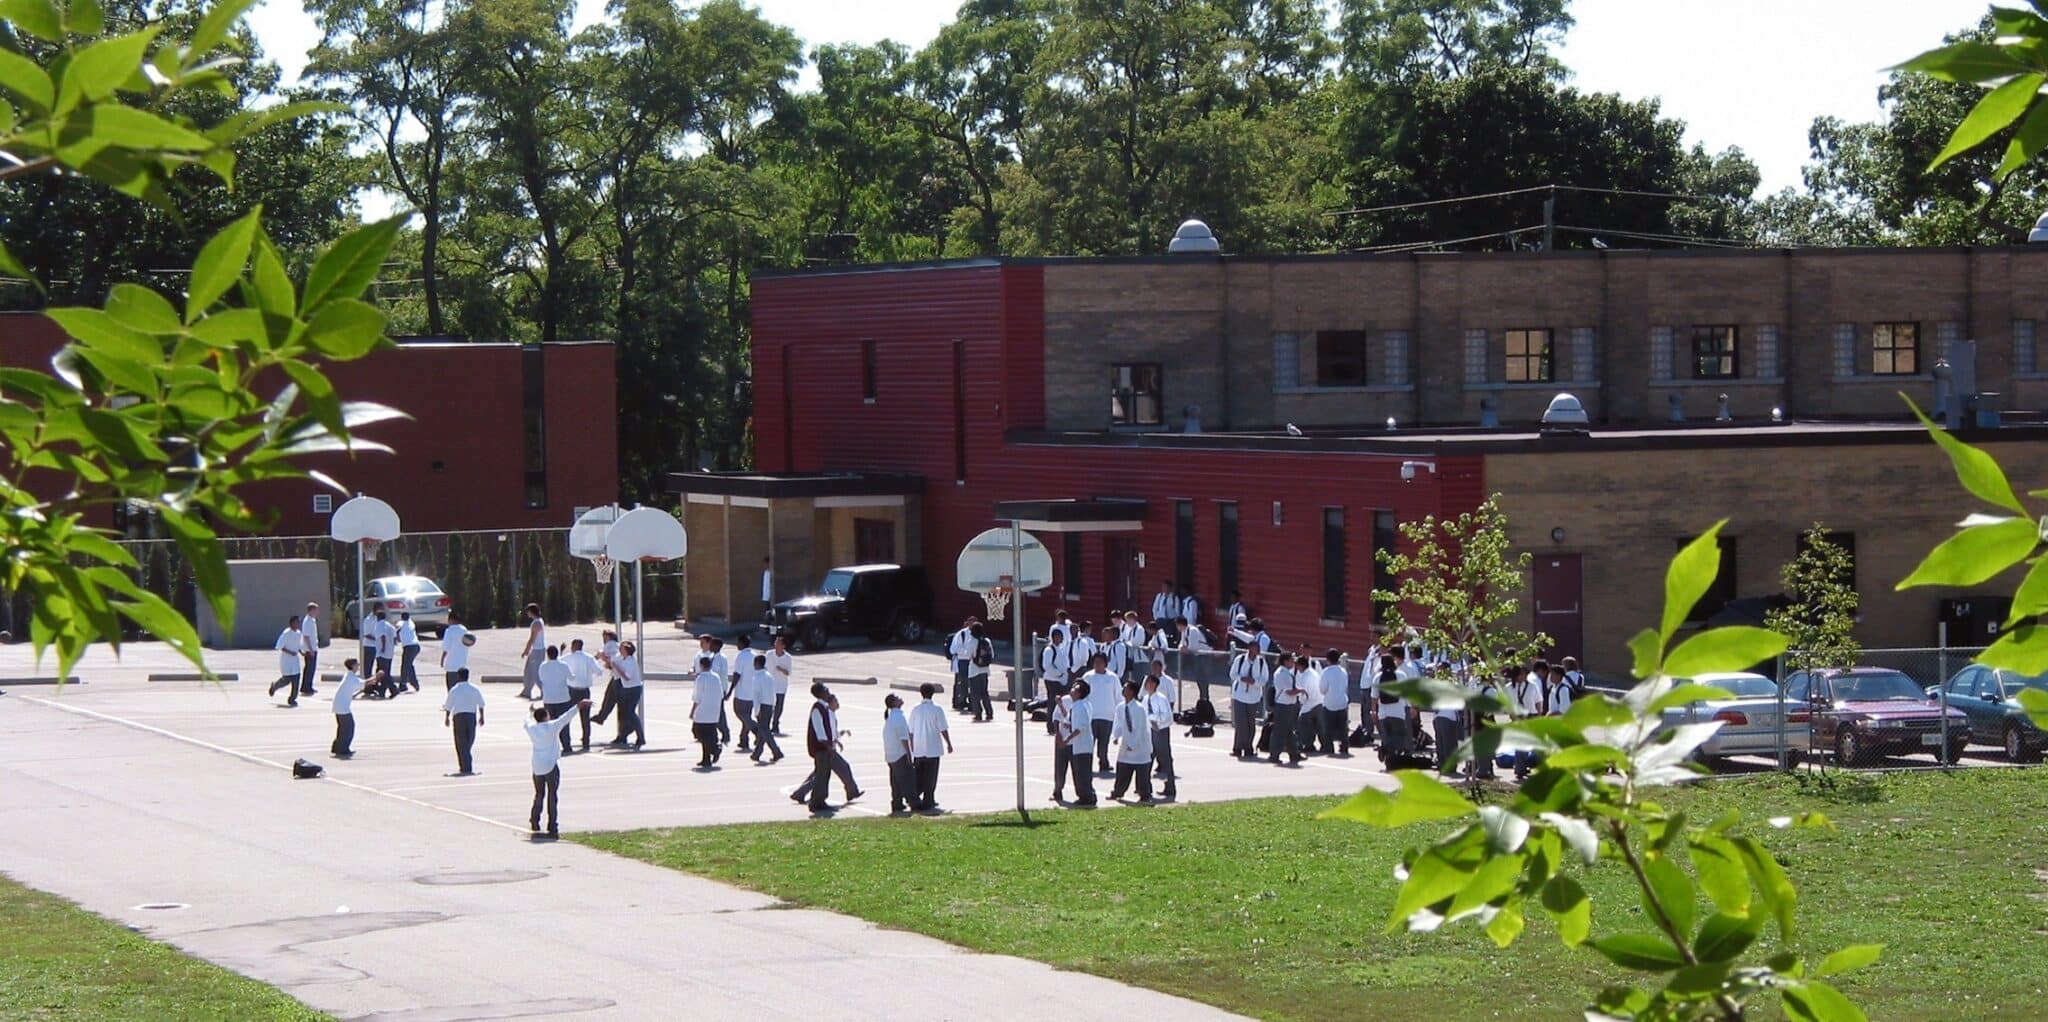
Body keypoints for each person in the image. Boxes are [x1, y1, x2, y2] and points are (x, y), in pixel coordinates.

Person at [526, 699, 586, 836]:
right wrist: (578, 706)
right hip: (551, 765)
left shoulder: (532, 728)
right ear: (546, 717)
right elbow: (565, 718)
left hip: (537, 766)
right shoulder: (552, 727)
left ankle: (534, 819)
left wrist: (530, 712)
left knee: (539, 794)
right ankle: (552, 824)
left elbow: (526, 721)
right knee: (552, 794)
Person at [908, 682, 953, 813]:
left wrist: (912, 747)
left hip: (919, 748)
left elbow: (910, 730)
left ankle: (915, 798)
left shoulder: (916, 709)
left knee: (918, 775)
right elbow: (943, 728)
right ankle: (929, 799)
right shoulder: (937, 709)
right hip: (932, 749)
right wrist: (948, 743)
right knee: (931, 777)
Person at [1108, 681, 1155, 803]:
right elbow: (1118, 723)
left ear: (1132, 692)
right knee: (1122, 769)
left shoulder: (1139, 709)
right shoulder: (1120, 707)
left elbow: (1140, 728)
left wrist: (1133, 744)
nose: (1123, 690)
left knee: (1142, 772)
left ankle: (1145, 795)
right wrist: (1116, 736)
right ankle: (1117, 792)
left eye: (1126, 688)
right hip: (1126, 745)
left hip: (1140, 745)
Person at [801, 684, 841, 814]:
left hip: (826, 747)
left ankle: (821, 800)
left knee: (825, 775)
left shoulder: (824, 708)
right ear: (821, 693)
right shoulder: (817, 709)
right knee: (821, 775)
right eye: (826, 690)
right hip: (821, 748)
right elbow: (820, 730)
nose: (828, 691)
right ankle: (815, 802)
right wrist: (827, 745)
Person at [1081, 652, 1119, 775]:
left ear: (1105, 663)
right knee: (1089, 743)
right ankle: (1086, 764)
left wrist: (1119, 712)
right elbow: (1081, 695)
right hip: (1091, 716)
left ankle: (1104, 762)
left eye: (1100, 662)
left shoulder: (1112, 677)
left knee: (1104, 743)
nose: (1097, 665)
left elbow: (1118, 696)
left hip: (1107, 715)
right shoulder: (1087, 677)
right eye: (1095, 662)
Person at [1229, 643, 1269, 758]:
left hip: (1253, 696)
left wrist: (1255, 682)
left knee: (1250, 723)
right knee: (1240, 723)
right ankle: (1237, 747)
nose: (1254, 652)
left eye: (1257, 650)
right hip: (1239, 695)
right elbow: (1233, 674)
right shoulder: (1240, 659)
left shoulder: (1261, 662)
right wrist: (1242, 678)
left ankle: (1248, 747)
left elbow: (1264, 679)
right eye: (1252, 649)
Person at [1062, 679, 1097, 807]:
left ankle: (1087, 796)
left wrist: (1067, 739)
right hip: (1079, 745)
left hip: (1082, 745)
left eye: (1075, 689)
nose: (1072, 690)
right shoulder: (1076, 705)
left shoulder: (1081, 706)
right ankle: (1085, 795)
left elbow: (1081, 727)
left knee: (1082, 772)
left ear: (1080, 693)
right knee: (1080, 772)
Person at [443, 673, 486, 775]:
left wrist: (447, 717)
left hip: (459, 717)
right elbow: (481, 704)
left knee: (460, 743)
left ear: (459, 676)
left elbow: (448, 705)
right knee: (469, 740)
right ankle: (466, 766)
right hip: (471, 717)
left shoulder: (454, 689)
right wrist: (482, 717)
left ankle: (465, 767)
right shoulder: (474, 689)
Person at [1143, 673, 1177, 800]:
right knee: (1147, 758)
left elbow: (1167, 717)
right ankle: (1145, 787)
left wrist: (1157, 723)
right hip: (1149, 732)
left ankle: (1170, 787)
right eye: (1147, 683)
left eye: (1151, 683)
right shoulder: (1146, 699)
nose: (1148, 685)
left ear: (1156, 685)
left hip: (1160, 731)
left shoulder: (1161, 698)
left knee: (1165, 759)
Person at [1507, 664, 1544, 780]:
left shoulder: (1532, 686)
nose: (1524, 676)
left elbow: (1538, 701)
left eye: (1525, 674)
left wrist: (1539, 714)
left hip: (1531, 716)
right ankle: (1520, 769)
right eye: (1522, 674)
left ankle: (1529, 766)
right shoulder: (1509, 688)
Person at [537, 645, 575, 755]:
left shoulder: (543, 666)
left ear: (547, 654)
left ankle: (551, 746)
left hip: (549, 699)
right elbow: (571, 677)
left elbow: (541, 678)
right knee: (564, 723)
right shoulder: (563, 665)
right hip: (562, 698)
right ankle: (567, 746)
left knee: (549, 725)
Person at [1269, 652, 1305, 766]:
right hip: (1283, 705)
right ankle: (1274, 755)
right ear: (1285, 661)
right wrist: (1300, 691)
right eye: (1291, 660)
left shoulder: (1285, 673)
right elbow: (1289, 691)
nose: (1293, 663)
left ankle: (1294, 754)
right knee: (1280, 731)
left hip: (1288, 705)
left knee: (1289, 731)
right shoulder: (1282, 674)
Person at [563, 638, 600, 751]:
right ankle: (586, 741)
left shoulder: (568, 657)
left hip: (571, 690)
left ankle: (566, 742)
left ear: (573, 646)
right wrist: (589, 676)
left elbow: (558, 664)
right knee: (585, 717)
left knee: (567, 716)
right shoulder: (589, 658)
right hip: (584, 690)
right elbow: (599, 671)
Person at [1037, 629, 1077, 732]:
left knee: (1061, 703)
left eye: (1061, 637)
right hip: (1052, 680)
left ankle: (1060, 725)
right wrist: (1058, 674)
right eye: (1059, 636)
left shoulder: (1060, 649)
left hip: (1061, 680)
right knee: (1052, 703)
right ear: (1054, 637)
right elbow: (1047, 666)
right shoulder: (1049, 650)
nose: (1061, 639)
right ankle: (1050, 726)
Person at [882, 693, 915, 816]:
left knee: (896, 781)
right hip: (899, 753)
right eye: (897, 697)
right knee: (907, 779)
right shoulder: (898, 717)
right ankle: (913, 801)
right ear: (894, 703)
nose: (900, 698)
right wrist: (909, 754)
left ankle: (897, 803)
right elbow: (903, 738)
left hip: (891, 754)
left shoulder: (891, 717)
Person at [1374, 654, 1411, 763]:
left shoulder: (1378, 677)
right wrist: (1411, 706)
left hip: (1383, 712)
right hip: (1398, 712)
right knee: (1400, 737)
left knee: (1387, 736)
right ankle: (1386, 750)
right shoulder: (1401, 675)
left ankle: (1390, 760)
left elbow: (1374, 696)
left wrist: (1373, 711)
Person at [609, 640, 645, 749]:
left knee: (630, 713)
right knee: (624, 713)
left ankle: (640, 736)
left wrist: (616, 667)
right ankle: (622, 735)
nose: (620, 650)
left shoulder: (630, 661)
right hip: (626, 688)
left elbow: (627, 677)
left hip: (633, 689)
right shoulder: (623, 659)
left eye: (622, 649)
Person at [689, 655, 724, 767]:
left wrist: (692, 710)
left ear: (701, 666)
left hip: (703, 711)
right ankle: (707, 757)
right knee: (710, 733)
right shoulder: (716, 677)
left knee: (698, 731)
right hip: (714, 709)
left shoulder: (701, 678)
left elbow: (697, 697)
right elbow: (720, 693)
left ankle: (714, 749)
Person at [730, 635, 758, 756]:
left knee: (740, 714)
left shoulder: (741, 656)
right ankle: (744, 740)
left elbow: (737, 674)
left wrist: (731, 690)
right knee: (746, 716)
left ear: (742, 644)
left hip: (741, 692)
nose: (737, 645)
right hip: (752, 692)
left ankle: (756, 729)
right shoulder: (755, 655)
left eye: (738, 643)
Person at [1319, 649, 1350, 757]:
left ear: (1327, 660)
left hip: (1329, 702)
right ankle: (1344, 746)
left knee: (1328, 727)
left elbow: (1322, 689)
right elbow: (1345, 686)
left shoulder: (1326, 672)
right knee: (1343, 727)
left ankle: (1328, 747)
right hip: (1342, 701)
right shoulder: (1343, 671)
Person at [332, 658, 365, 758]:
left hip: (339, 706)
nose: (358, 666)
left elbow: (362, 683)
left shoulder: (349, 676)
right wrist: (376, 677)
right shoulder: (351, 678)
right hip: (343, 707)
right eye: (357, 664)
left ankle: (337, 747)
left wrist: (374, 679)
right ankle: (343, 749)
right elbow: (363, 684)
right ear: (353, 666)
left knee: (342, 728)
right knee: (348, 728)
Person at [1049, 685, 1077, 803]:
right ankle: (1058, 790)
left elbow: (1068, 719)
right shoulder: (1065, 699)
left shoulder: (1083, 704)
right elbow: (1056, 718)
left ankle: (1082, 794)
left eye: (1076, 689)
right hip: (1062, 739)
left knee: (1077, 769)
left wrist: (1060, 705)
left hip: (1075, 742)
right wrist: (1058, 735)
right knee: (1060, 767)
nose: (1072, 691)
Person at [268, 615, 303, 706]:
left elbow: (299, 645)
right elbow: (280, 646)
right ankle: (274, 687)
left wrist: (302, 653)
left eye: (298, 622)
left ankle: (292, 699)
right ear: (292, 623)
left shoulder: (299, 633)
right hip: (287, 660)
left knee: (296, 680)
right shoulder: (286, 633)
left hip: (295, 661)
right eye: (296, 622)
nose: (298, 624)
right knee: (286, 680)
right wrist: (290, 652)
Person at [963, 623, 994, 722]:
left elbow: (968, 655)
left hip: (974, 670)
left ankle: (978, 713)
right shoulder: (986, 641)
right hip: (985, 670)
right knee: (984, 692)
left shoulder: (971, 641)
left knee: (975, 694)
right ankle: (989, 713)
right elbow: (992, 655)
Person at [948, 616, 978, 713]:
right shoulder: (961, 634)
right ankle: (960, 701)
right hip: (963, 661)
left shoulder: (979, 634)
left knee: (973, 683)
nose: (972, 624)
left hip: (975, 662)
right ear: (967, 623)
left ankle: (972, 703)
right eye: (971, 622)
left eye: (974, 622)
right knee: (962, 683)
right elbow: (953, 649)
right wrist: (966, 653)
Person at [518, 603, 547, 700]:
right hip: (535, 650)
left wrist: (526, 650)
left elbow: (532, 639)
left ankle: (545, 691)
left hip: (538, 650)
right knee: (528, 671)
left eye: (528, 611)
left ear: (531, 612)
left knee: (536, 673)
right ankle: (526, 691)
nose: (527, 613)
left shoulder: (537, 623)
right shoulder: (536, 621)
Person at [768, 634, 794, 735]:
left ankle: (775, 724)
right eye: (775, 643)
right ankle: (767, 724)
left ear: (783, 646)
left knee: (779, 706)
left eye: (778, 643)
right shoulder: (769, 654)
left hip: (781, 686)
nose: (776, 645)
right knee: (769, 705)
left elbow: (789, 673)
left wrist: (781, 669)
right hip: (770, 685)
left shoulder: (788, 657)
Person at [440, 612, 473, 690]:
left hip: (451, 664)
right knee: (461, 686)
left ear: (451, 620)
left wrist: (442, 660)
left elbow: (446, 648)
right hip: (462, 663)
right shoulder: (464, 630)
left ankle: (452, 701)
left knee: (451, 687)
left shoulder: (449, 631)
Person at [369, 612, 397, 691]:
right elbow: (395, 639)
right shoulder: (390, 626)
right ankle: (382, 690)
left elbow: (382, 636)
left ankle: (394, 689)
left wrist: (383, 647)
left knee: (383, 673)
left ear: (377, 617)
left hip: (382, 653)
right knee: (382, 672)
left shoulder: (379, 625)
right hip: (390, 652)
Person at [298, 603, 321, 696]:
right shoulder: (307, 621)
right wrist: (310, 649)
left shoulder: (312, 620)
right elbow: (306, 636)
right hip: (309, 649)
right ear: (311, 610)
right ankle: (306, 687)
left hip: (313, 647)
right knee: (309, 668)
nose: (317, 612)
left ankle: (308, 685)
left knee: (312, 668)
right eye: (316, 610)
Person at [396, 611, 422, 692]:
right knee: (408, 665)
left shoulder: (401, 623)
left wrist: (396, 636)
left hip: (409, 647)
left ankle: (403, 684)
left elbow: (397, 628)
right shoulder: (411, 623)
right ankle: (414, 683)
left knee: (405, 666)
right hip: (415, 646)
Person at [760, 555, 774, 622]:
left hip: (770, 596)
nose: (765, 565)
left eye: (766, 563)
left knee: (770, 612)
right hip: (765, 596)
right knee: (767, 611)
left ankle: (769, 623)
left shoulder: (771, 572)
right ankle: (767, 623)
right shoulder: (766, 572)